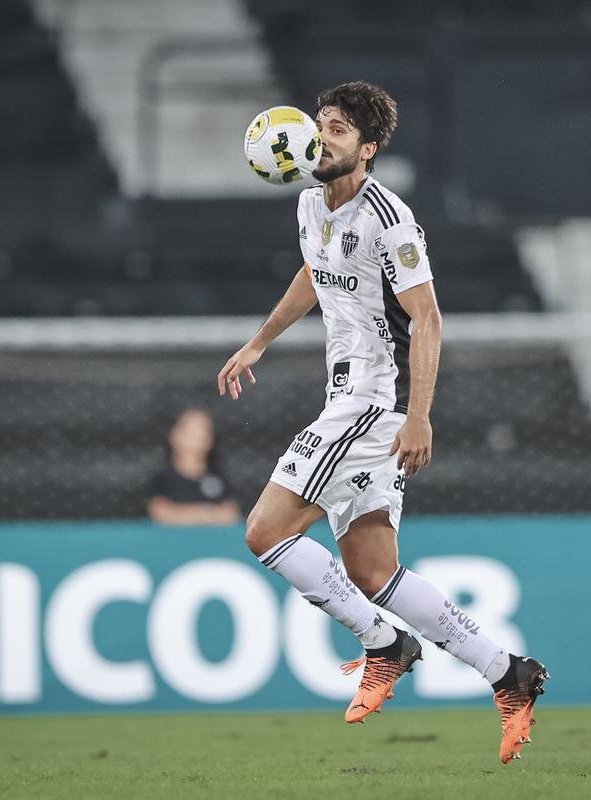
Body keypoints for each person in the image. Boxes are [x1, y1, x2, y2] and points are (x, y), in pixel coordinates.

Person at [217, 81, 548, 764]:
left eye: (337, 129)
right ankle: (507, 672)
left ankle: (383, 645)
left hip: (372, 402)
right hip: (351, 400)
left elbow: (426, 318)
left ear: (366, 149)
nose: (321, 136)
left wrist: (418, 416)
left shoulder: (387, 218)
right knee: (374, 572)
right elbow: (314, 275)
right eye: (319, 123)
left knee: (264, 531)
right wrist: (259, 340)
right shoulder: (312, 203)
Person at [147, 408, 241, 526]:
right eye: (189, 432)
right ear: (173, 435)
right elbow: (160, 513)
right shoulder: (162, 479)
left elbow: (230, 513)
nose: (196, 438)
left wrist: (186, 514)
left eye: (202, 432)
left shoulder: (219, 477)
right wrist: (208, 514)